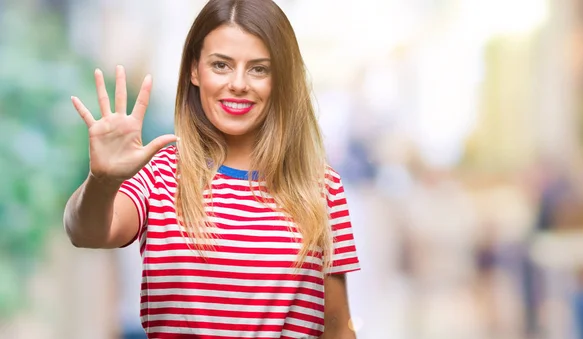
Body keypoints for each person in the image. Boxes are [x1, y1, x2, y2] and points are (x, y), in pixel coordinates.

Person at [62, 0, 360, 338]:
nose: (238, 83)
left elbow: (337, 325)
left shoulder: (321, 186)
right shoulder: (162, 175)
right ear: (194, 71)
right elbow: (85, 232)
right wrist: (102, 180)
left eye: (259, 69)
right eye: (221, 65)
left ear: (281, 79)